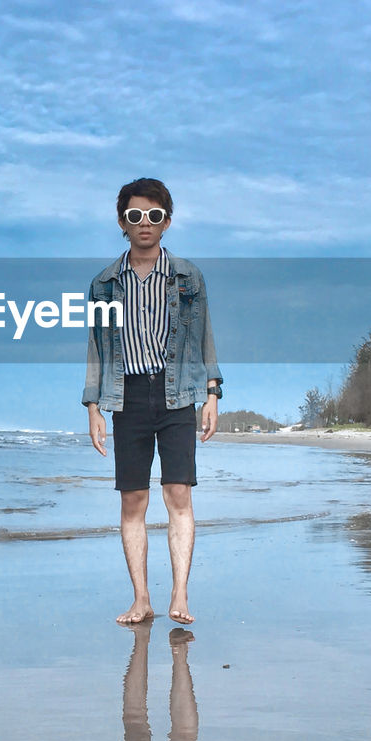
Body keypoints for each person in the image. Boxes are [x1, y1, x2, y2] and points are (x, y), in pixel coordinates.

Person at [83, 178, 222, 626]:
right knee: (133, 499)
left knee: (177, 492)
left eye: (155, 216)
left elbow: (203, 337)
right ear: (122, 222)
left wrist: (212, 393)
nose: (145, 223)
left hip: (178, 390)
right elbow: (97, 347)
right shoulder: (104, 284)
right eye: (136, 216)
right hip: (127, 396)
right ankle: (141, 599)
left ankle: (179, 594)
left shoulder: (188, 277)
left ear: (167, 221)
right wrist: (93, 406)